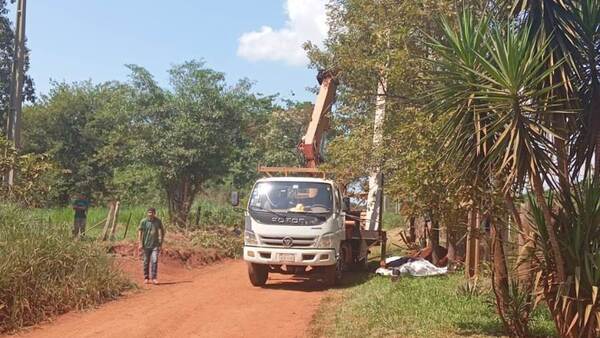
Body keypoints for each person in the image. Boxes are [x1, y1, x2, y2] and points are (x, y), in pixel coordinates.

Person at [138, 208, 165, 285]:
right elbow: (140, 231)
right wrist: (140, 243)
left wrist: (161, 242)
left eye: (151, 212)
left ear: (154, 213)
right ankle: (146, 278)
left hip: (155, 245)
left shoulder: (158, 221)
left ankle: (154, 278)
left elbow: (162, 231)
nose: (150, 214)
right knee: (146, 262)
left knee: (154, 261)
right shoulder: (143, 221)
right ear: (147, 213)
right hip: (146, 245)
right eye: (149, 212)